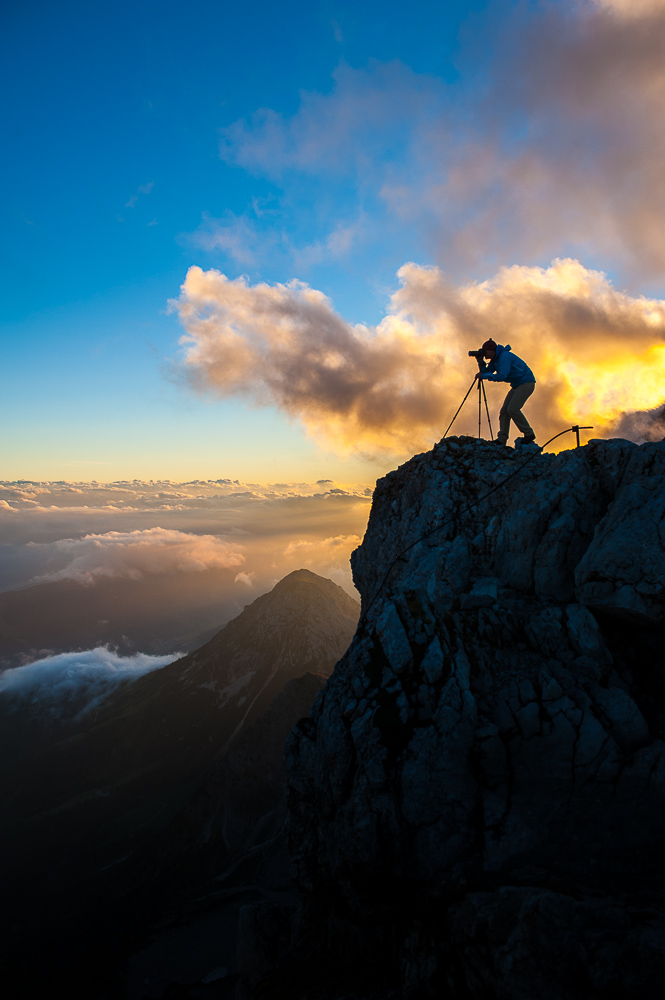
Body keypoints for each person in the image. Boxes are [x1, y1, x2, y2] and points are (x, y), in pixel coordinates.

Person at [475, 339, 536, 446]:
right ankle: (501, 440)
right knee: (504, 412)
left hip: (526, 383)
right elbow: (487, 372)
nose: (484, 354)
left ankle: (529, 434)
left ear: (491, 350)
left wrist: (484, 376)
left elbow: (502, 376)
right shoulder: (496, 359)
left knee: (512, 409)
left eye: (485, 351)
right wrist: (480, 362)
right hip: (517, 385)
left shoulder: (504, 357)